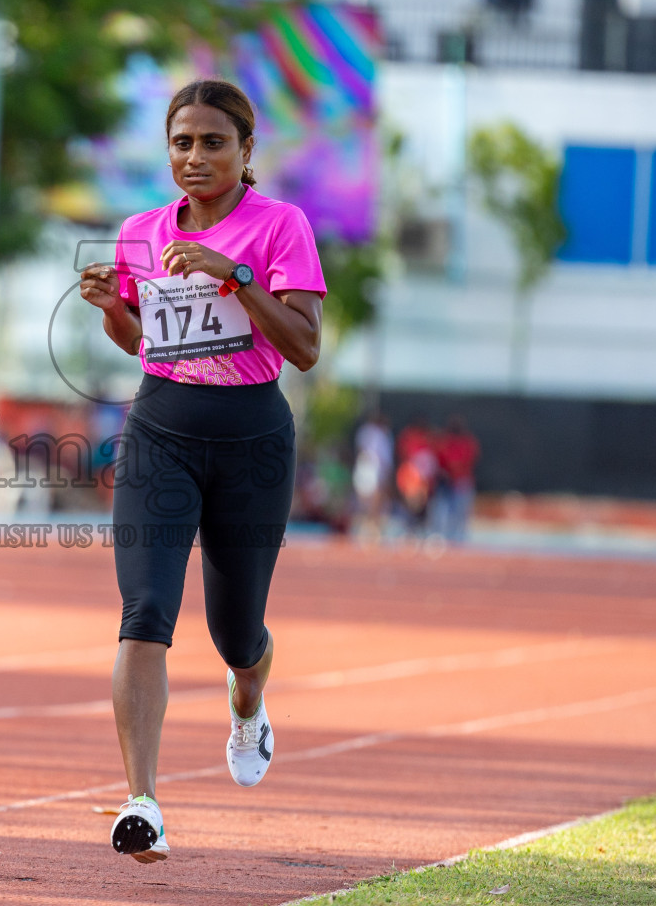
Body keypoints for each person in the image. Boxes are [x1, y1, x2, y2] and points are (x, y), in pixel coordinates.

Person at [78, 78, 326, 864]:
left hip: (252, 439)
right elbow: (144, 344)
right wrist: (110, 309)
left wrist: (236, 275)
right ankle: (141, 802)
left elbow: (306, 347)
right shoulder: (141, 231)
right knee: (144, 610)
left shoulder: (281, 226)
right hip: (161, 430)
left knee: (234, 630)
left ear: (247, 151)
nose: (194, 157)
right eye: (181, 142)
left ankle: (247, 697)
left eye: (213, 142)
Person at [434, 416, 480, 542]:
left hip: (461, 482)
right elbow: (439, 460)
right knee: (442, 512)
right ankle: (442, 537)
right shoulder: (444, 441)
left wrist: (454, 469)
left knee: (461, 514)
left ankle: (458, 539)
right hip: (446, 483)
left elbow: (468, 460)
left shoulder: (468, 442)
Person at [351, 413, 393, 543]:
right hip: (367, 468)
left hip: (375, 470)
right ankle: (364, 529)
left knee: (376, 502)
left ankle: (372, 530)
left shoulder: (385, 436)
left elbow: (385, 459)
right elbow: (362, 450)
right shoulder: (368, 432)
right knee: (364, 501)